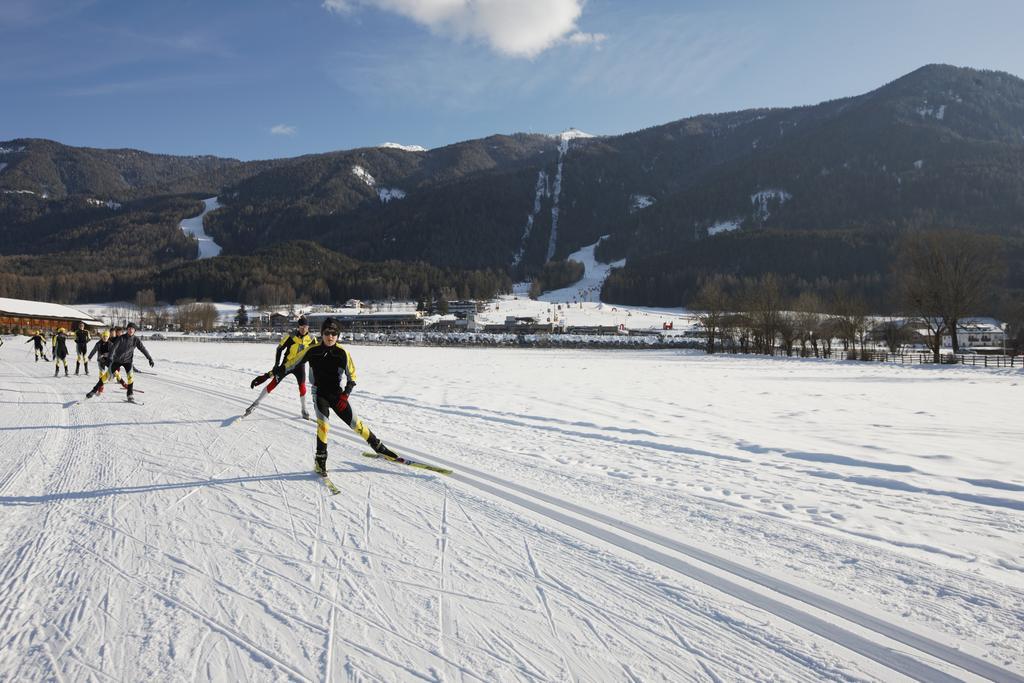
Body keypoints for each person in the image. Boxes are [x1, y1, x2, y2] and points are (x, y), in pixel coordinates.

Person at [275, 317, 397, 475]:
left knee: (357, 425)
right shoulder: (312, 350)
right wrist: (271, 373)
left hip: (337, 395)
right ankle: (320, 461)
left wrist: (345, 395)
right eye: (327, 333)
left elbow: (352, 377)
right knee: (323, 426)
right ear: (322, 334)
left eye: (334, 333)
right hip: (319, 394)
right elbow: (291, 363)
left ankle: (379, 448)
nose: (330, 336)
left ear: (338, 335)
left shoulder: (342, 353)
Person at [245, 316, 314, 419]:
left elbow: (316, 353)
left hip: (300, 366)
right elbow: (279, 349)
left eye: (305, 327)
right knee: (273, 383)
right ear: (298, 327)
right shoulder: (291, 336)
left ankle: (304, 409)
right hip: (286, 365)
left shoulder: (312, 339)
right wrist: (276, 364)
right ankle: (255, 404)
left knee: (302, 386)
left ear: (308, 327)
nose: (303, 329)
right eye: (301, 327)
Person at [85, 322, 154, 401]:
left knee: (130, 377)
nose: (130, 330)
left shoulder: (136, 340)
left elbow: (143, 349)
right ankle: (93, 391)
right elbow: (114, 348)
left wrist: (150, 358)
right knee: (106, 376)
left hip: (128, 361)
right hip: (117, 360)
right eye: (129, 329)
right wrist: (110, 357)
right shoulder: (121, 338)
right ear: (127, 330)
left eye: (132, 329)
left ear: (134, 330)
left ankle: (130, 395)